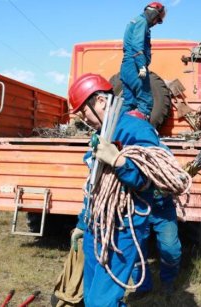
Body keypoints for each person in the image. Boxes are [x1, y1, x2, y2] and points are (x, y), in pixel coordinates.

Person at [68, 73, 161, 307]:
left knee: (102, 302)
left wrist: (119, 162)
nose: (83, 118)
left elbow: (150, 179)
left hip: (122, 228)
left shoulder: (137, 129)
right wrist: (82, 223)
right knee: (92, 298)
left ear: (100, 100)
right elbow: (94, 185)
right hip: (94, 226)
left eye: (84, 111)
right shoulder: (100, 135)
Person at [130, 142, 181, 299]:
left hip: (163, 207)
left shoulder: (162, 149)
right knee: (136, 249)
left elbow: (176, 176)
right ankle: (142, 286)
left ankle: (168, 282)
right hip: (137, 206)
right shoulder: (130, 148)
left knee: (171, 248)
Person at [119, 2, 166, 119]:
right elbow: (137, 45)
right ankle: (141, 134)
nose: (156, 23)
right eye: (157, 20)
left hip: (126, 67)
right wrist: (141, 65)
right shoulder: (142, 22)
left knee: (128, 102)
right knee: (145, 101)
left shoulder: (135, 21)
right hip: (135, 65)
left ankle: (117, 130)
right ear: (154, 14)